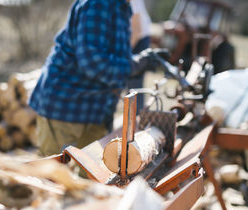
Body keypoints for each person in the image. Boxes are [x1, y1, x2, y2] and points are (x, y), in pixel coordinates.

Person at [29, 0, 158, 157]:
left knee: (94, 175)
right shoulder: (99, 3)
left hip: (97, 108)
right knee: (51, 174)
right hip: (65, 103)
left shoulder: (123, 6)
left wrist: (139, 60)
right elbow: (92, 61)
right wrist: (132, 66)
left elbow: (114, 52)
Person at [129, 0, 152, 113]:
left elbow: (137, 30)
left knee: (134, 84)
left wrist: (125, 52)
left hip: (138, 39)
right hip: (132, 37)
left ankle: (137, 117)